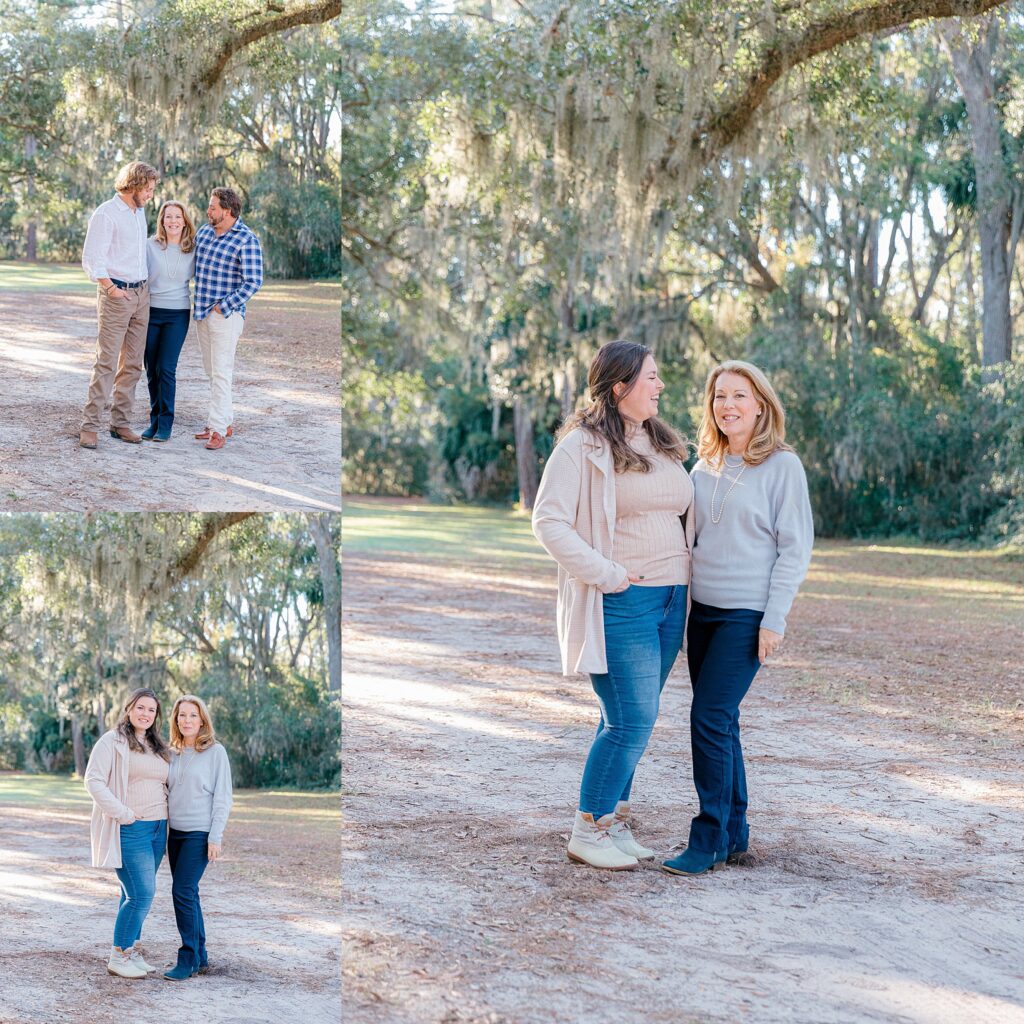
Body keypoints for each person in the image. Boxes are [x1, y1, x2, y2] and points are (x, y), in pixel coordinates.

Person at [532, 341, 694, 871]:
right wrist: (610, 576)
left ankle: (614, 822)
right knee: (632, 717)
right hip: (623, 599)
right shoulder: (581, 445)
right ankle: (588, 827)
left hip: (673, 600)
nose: (659, 386)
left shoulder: (660, 440)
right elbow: (548, 521)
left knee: (629, 719)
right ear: (620, 386)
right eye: (651, 377)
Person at [662, 360, 813, 877]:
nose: (728, 406)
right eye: (720, 396)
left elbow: (795, 548)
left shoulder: (782, 466)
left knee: (706, 718)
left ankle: (705, 839)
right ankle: (733, 835)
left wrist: (775, 620)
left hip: (747, 615)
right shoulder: (701, 466)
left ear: (761, 404)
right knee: (722, 722)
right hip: (701, 611)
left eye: (739, 396)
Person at [83, 687, 171, 978]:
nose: (145, 714)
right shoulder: (112, 741)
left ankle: (131, 951)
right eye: (140, 707)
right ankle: (118, 956)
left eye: (151, 710)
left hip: (159, 829)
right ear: (129, 708)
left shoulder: (156, 745)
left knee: (130, 893)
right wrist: (124, 814)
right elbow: (93, 781)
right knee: (142, 894)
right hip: (131, 828)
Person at [79, 160, 159, 449]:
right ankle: (89, 426)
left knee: (133, 364)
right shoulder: (107, 213)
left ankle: (120, 423)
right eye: (148, 189)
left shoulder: (139, 214)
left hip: (141, 296)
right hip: (117, 296)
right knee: (107, 362)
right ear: (134, 185)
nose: (151, 194)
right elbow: (92, 259)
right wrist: (111, 290)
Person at [164, 694, 233, 981]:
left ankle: (188, 958)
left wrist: (214, 837)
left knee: (181, 891)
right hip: (175, 835)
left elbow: (223, 798)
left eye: (193, 715)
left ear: (202, 719)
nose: (187, 720)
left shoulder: (215, 752)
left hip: (199, 833)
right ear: (175, 720)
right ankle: (201, 957)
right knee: (189, 893)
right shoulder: (172, 753)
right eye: (182, 715)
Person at [192, 187, 264, 451]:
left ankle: (218, 430)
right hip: (201, 313)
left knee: (221, 372)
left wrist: (224, 306)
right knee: (213, 371)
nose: (208, 211)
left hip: (226, 316)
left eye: (212, 207)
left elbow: (253, 281)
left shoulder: (246, 240)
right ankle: (225, 421)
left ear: (228, 211)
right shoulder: (203, 233)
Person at [142, 201, 197, 441]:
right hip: (150, 312)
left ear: (185, 221)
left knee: (166, 368)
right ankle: (154, 421)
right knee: (151, 370)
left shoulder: (194, 248)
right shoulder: (149, 246)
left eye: (177, 217)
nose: (173, 221)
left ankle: (166, 423)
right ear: (162, 221)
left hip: (177, 314)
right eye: (168, 217)